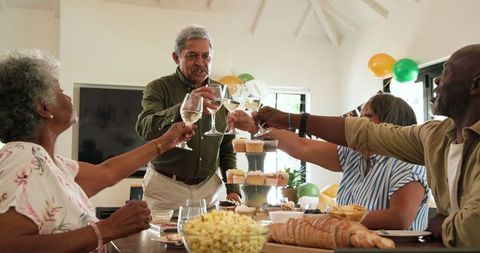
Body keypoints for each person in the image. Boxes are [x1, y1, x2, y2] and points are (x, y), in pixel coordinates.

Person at [250, 44, 480, 247]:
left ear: (476, 85)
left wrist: (443, 224)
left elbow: (468, 228)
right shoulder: (437, 136)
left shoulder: (407, 158)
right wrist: (269, 125)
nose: (438, 80)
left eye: (446, 72)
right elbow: (304, 146)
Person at [0, 50, 195, 253]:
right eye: (60, 91)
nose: (67, 96)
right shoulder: (23, 160)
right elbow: (8, 246)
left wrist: (164, 142)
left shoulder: (46, 162)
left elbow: (107, 172)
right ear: (44, 107)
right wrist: (107, 229)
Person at [231, 93, 430, 230]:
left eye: (367, 117)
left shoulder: (407, 162)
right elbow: (302, 146)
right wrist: (255, 128)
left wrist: (330, 218)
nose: (357, 124)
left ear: (390, 125)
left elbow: (400, 218)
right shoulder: (354, 154)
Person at [135, 24, 240, 210]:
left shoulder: (222, 93)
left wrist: (233, 188)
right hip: (165, 188)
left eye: (206, 56)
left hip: (209, 190)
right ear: (176, 57)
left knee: (208, 240)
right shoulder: (158, 88)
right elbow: (144, 127)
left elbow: (227, 145)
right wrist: (185, 106)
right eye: (192, 55)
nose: (200, 62)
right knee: (159, 240)